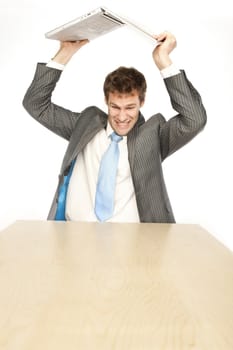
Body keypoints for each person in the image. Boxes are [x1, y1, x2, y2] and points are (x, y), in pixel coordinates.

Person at [22, 31, 207, 223]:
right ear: (106, 101)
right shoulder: (85, 124)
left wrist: (163, 60)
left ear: (141, 102)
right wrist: (65, 52)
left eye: (130, 107)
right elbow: (35, 104)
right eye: (115, 107)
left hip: (134, 243)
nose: (121, 116)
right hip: (74, 236)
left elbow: (194, 119)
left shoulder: (152, 136)